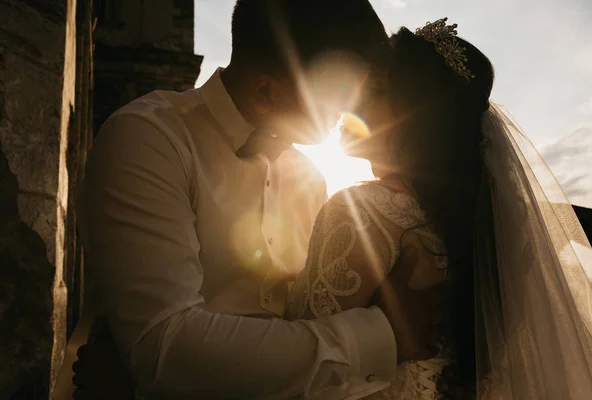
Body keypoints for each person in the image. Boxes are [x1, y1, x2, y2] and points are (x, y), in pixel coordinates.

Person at [67, 1, 446, 399]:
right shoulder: (150, 139)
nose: (349, 112)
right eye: (338, 94)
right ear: (267, 89)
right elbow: (166, 349)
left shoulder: (311, 180)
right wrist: (380, 337)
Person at [287, 18, 592, 399]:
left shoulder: (362, 212)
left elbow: (298, 372)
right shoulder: (496, 227)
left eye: (372, 89)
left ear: (414, 114)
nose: (349, 100)